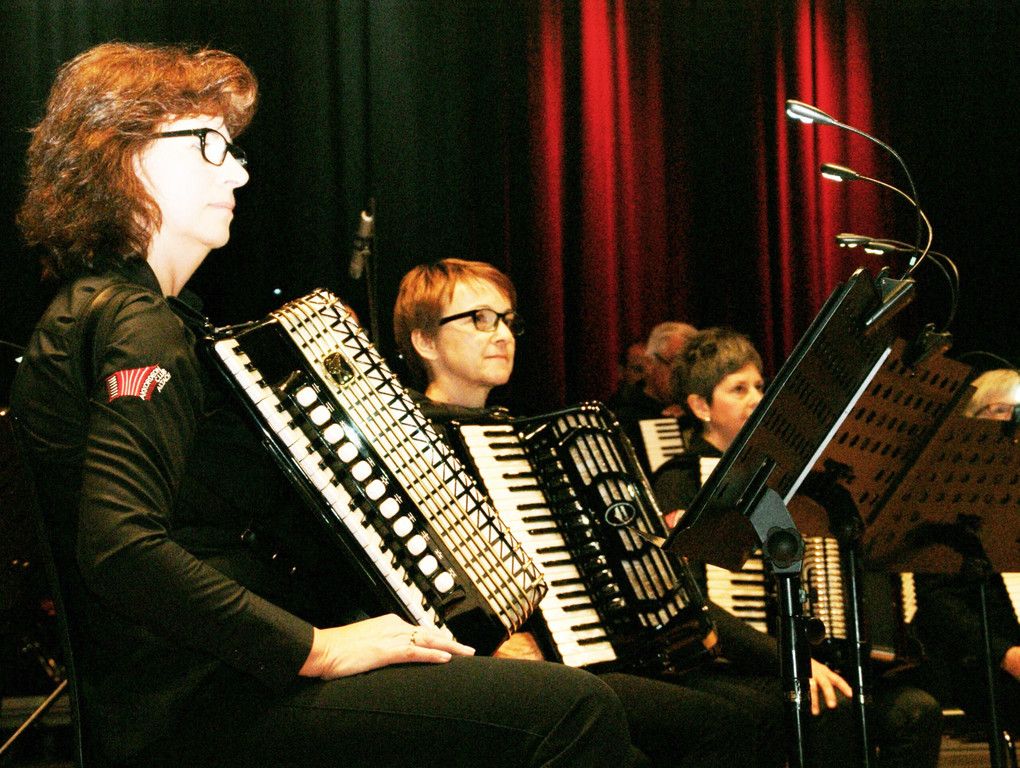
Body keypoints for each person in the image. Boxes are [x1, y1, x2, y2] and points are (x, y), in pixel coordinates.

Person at [9, 42, 649, 768]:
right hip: (202, 703)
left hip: (201, 686)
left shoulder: (117, 314)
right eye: (211, 145)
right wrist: (317, 647)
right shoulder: (137, 325)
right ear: (126, 158)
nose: (239, 172)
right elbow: (121, 548)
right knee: (574, 709)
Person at [393, 258, 778, 768]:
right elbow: (409, 572)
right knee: (714, 726)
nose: (502, 334)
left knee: (747, 713)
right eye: (479, 319)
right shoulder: (411, 443)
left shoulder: (521, 436)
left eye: (507, 320)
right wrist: (491, 639)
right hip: (494, 669)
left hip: (580, 651)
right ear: (425, 341)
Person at [652, 327, 944, 768]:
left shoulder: (793, 476)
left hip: (816, 659)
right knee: (831, 710)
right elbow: (694, 603)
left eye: (760, 386)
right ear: (700, 407)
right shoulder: (681, 481)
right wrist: (790, 659)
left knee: (917, 712)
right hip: (743, 665)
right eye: (738, 389)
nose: (757, 399)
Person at [910, 368, 1020, 736]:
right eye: (1005, 410)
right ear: (970, 421)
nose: (1015, 424)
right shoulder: (948, 495)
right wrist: (1005, 653)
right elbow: (938, 602)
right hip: (974, 661)